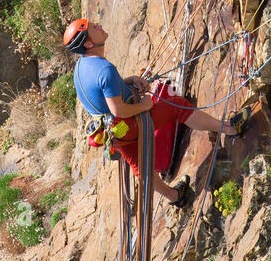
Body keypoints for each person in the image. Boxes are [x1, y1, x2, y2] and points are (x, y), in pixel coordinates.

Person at [63, 18, 250, 205]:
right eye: (94, 28)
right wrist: (144, 106)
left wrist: (128, 81)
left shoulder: (81, 68)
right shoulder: (104, 69)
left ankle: (176, 197)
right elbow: (118, 109)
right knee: (177, 106)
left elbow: (101, 94)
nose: (99, 25)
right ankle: (230, 129)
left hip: (113, 134)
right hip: (127, 124)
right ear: (88, 43)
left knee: (141, 168)